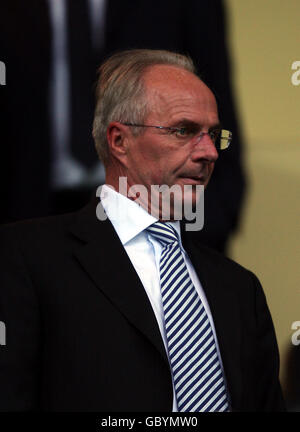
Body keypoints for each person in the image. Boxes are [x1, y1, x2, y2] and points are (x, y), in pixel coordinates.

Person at [0, 49, 284, 412]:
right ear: (119, 140)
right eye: (185, 130)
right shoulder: (24, 257)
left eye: (214, 134)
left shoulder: (240, 288)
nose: (210, 152)